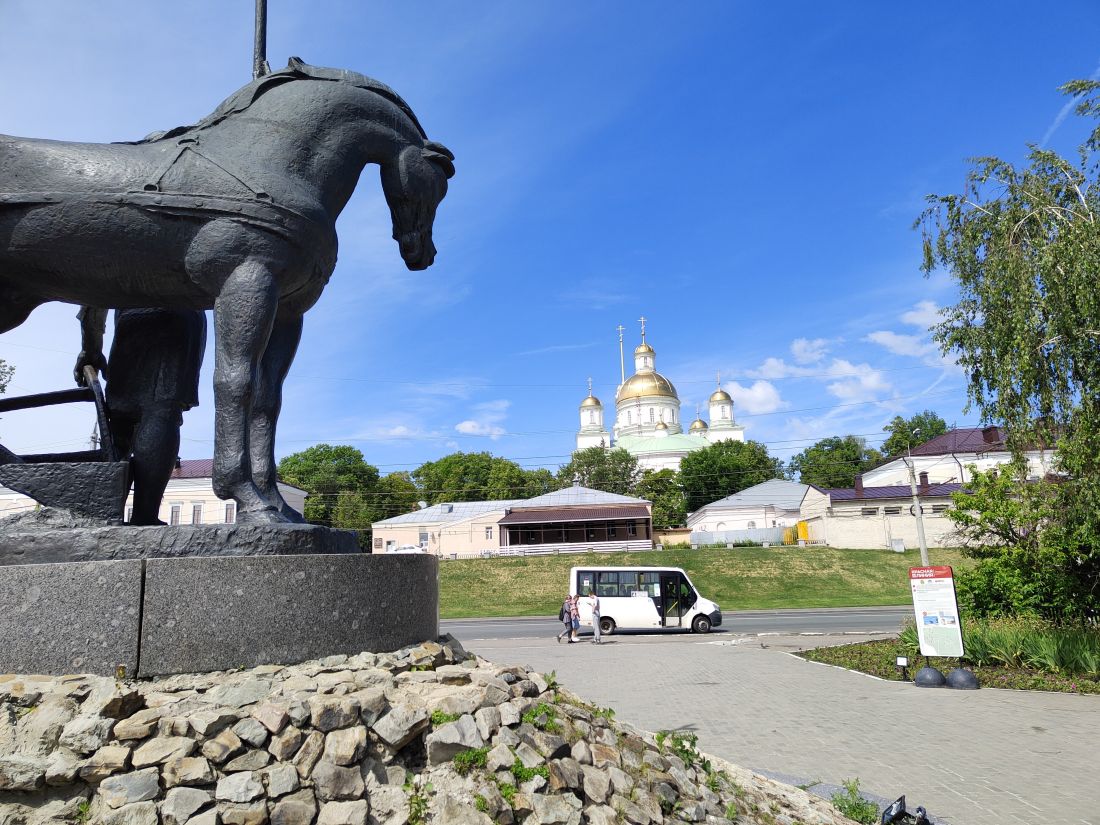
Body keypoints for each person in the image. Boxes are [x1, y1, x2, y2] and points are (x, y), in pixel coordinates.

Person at [76, 306, 207, 525]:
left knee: (121, 424)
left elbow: (93, 296)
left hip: (132, 315)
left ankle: (106, 515)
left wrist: (91, 349)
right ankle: (143, 515)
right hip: (181, 314)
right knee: (161, 412)